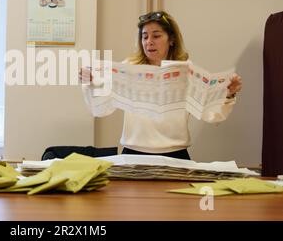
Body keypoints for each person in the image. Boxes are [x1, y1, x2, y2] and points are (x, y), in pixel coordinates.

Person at [80, 11, 242, 160]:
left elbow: (210, 114)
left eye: (156, 36)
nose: (149, 42)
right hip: (133, 154)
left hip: (175, 155)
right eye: (144, 37)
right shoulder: (129, 67)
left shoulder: (186, 70)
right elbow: (100, 107)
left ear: (171, 39)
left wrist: (228, 94)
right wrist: (90, 81)